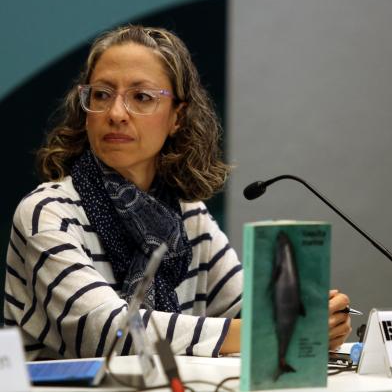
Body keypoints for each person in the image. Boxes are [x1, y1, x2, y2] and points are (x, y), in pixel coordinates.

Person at [4, 25, 351, 360]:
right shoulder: (48, 211)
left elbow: (249, 309)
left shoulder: (188, 213)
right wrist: (271, 329)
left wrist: (311, 318)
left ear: (177, 117)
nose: (116, 113)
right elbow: (109, 334)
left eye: (141, 97)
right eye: (102, 94)